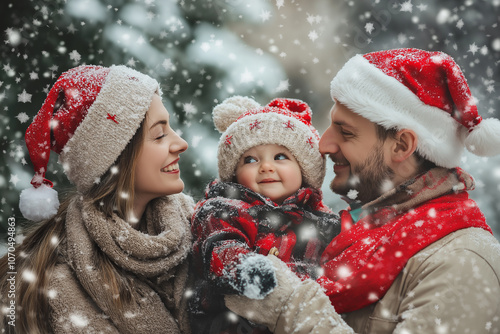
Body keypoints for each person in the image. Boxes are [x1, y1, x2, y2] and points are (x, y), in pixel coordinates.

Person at [224, 48, 500, 333]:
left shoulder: (461, 262)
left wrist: (290, 308)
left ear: (402, 146)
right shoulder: (352, 234)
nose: (324, 145)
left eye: (346, 132)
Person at [0, 65, 194, 333]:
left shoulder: (207, 231)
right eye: (160, 134)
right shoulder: (54, 287)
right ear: (116, 159)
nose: (181, 143)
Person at [189, 96, 341, 333]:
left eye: (280, 157)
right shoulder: (224, 210)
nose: (266, 167)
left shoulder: (324, 224)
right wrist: (245, 268)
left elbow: (338, 268)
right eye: (250, 159)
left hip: (302, 320)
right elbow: (221, 246)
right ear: (234, 174)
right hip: (232, 317)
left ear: (304, 170)